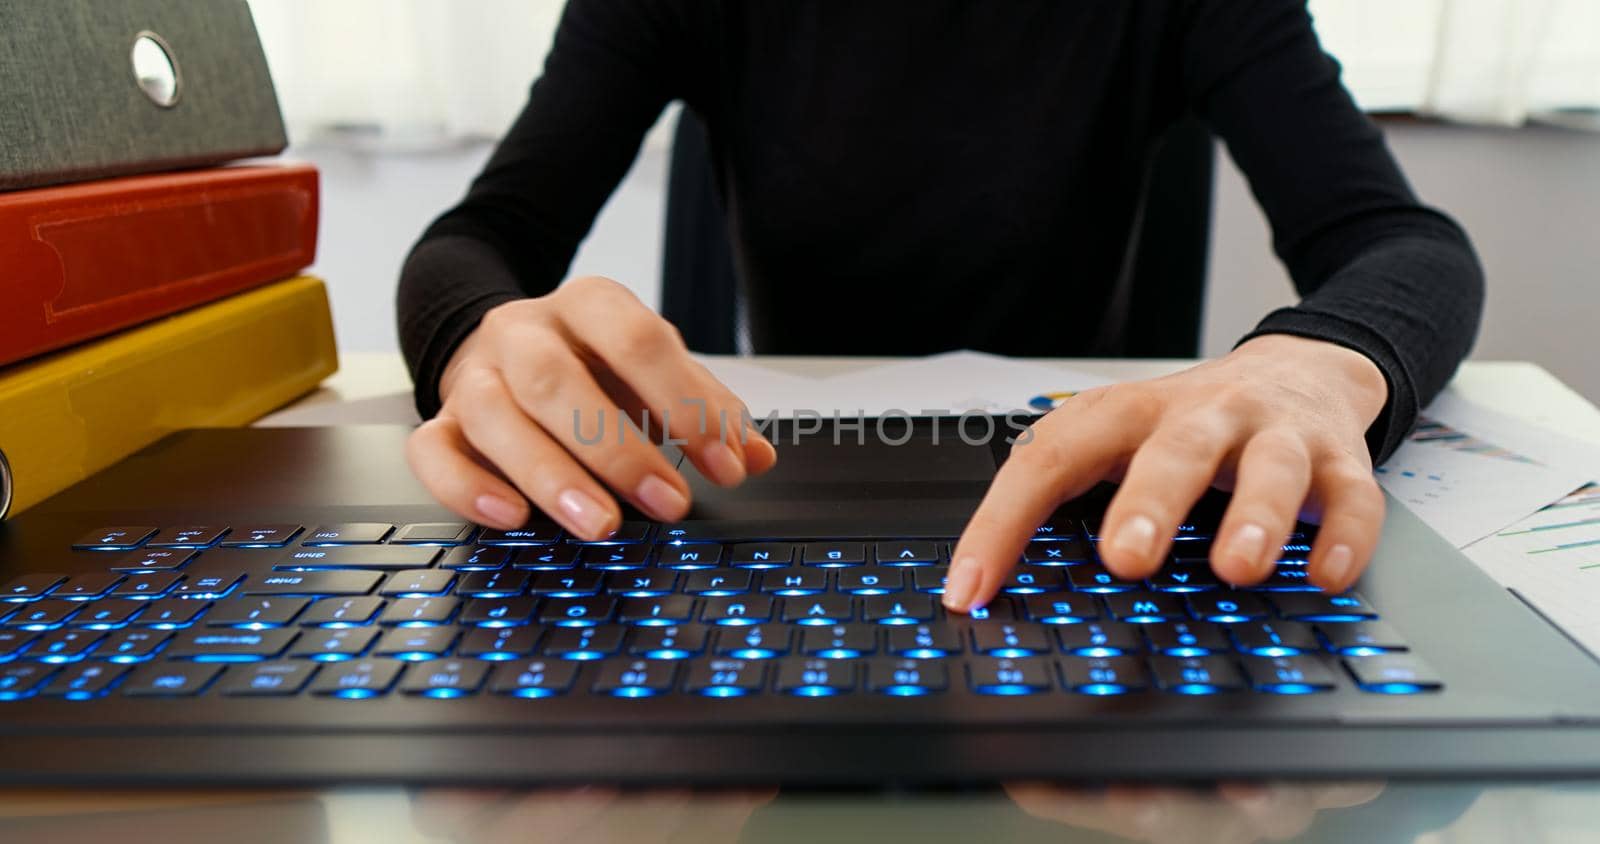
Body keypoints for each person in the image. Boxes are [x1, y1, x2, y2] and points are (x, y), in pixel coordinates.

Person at [396, 0, 1483, 615]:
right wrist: (478, 341)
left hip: (1088, 533)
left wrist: (1305, 365)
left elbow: (1400, 241)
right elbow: (480, 237)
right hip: (758, 524)